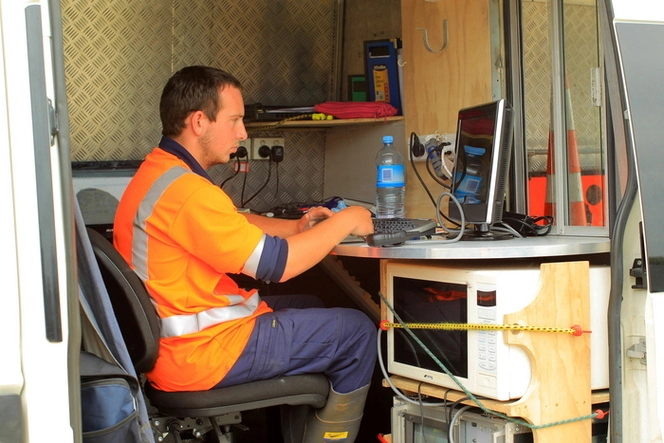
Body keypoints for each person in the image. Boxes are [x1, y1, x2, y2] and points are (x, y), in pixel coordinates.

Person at [113, 65, 377, 442]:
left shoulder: (159, 174)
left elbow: (232, 222)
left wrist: (297, 227)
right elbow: (278, 265)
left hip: (175, 349)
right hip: (202, 354)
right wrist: (347, 219)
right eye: (235, 119)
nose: (243, 132)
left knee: (315, 302)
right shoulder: (189, 193)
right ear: (200, 121)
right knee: (357, 332)